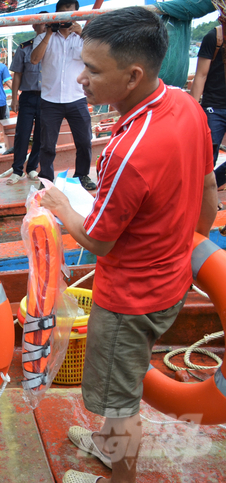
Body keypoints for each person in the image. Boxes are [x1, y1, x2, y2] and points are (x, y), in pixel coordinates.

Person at [40, 7, 218, 483]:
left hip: (129, 302)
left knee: (118, 404)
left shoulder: (128, 150)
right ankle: (104, 446)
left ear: (133, 74)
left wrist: (60, 206)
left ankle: (118, 477)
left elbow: (97, 240)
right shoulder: (185, 105)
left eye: (93, 70)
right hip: (171, 284)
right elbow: (209, 200)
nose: (81, 79)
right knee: (126, 383)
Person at [31, 0, 96, 191]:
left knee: (84, 141)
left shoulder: (83, 38)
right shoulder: (44, 36)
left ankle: (82, 175)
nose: (68, 16)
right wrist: (49, 32)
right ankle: (46, 180)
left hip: (77, 98)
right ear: (57, 15)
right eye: (64, 13)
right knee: (47, 145)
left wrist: (81, 33)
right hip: (50, 100)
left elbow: (95, 57)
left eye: (72, 12)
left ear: (77, 14)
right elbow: (34, 60)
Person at [7, 15, 47, 185]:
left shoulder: (53, 49)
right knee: (22, 134)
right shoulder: (24, 49)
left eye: (47, 24)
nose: (44, 27)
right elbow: (17, 75)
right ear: (34, 26)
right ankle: (17, 170)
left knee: (40, 135)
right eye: (41, 24)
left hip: (47, 98)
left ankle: (32, 167)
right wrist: (14, 98)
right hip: (28, 97)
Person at [190, 23, 226, 200]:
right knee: (207, 157)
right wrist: (193, 110)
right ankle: (200, 199)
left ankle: (210, 191)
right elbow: (201, 75)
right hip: (214, 106)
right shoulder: (214, 37)